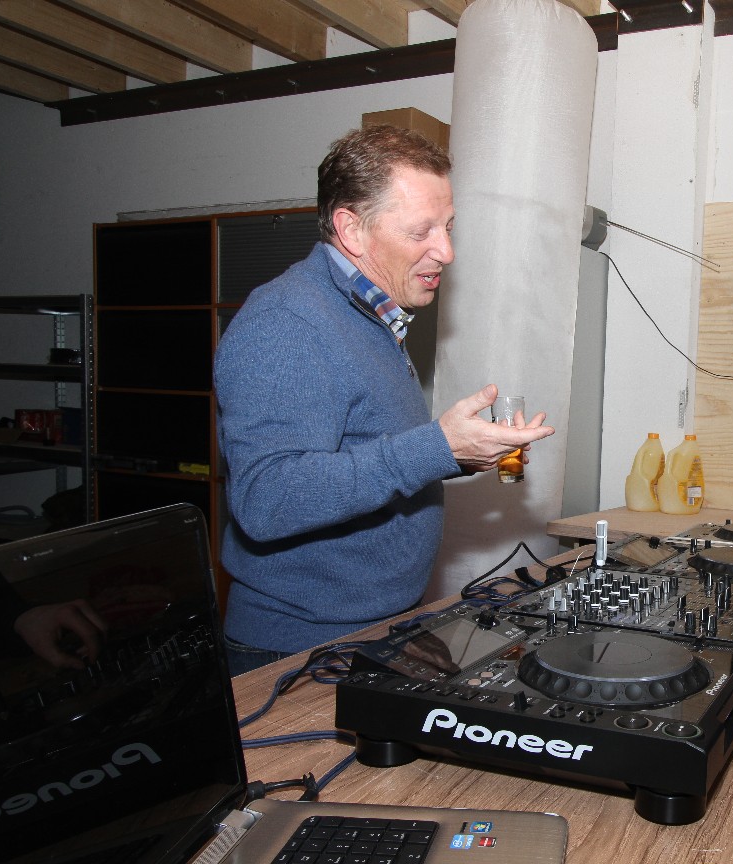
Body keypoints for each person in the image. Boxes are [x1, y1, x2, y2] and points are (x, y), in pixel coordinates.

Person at [215, 125, 554, 676]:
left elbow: (364, 451)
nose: (446, 251)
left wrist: (460, 454)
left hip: (379, 626)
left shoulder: (373, 316)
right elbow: (266, 499)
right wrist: (434, 448)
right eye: (421, 231)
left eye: (448, 227)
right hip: (298, 647)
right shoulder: (286, 322)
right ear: (352, 228)